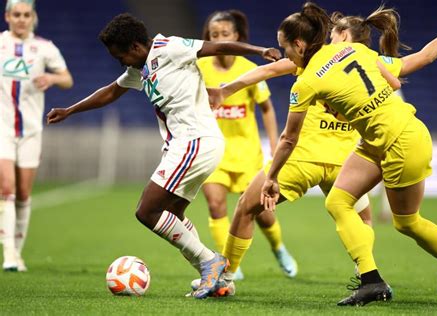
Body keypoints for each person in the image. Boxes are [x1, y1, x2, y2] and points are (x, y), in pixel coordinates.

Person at [46, 13, 281, 299]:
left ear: (134, 47)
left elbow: (217, 47)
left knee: (147, 211)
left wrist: (259, 50)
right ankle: (217, 279)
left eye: (120, 56)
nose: (121, 62)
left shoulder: (169, 48)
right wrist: (70, 110)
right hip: (187, 145)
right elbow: (110, 92)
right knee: (172, 215)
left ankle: (210, 262)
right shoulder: (140, 68)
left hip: (194, 142)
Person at [258, 1, 437, 306]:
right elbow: (421, 58)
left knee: (406, 222)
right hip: (382, 138)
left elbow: (288, 138)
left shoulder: (305, 82)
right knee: (338, 201)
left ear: (299, 44)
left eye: (285, 48)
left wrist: (271, 177)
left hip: (401, 141)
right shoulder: (359, 51)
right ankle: (371, 281)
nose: (285, 55)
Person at [204, 5, 405, 297]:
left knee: (247, 207)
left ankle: (226, 278)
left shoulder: (312, 63)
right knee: (362, 219)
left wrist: (226, 90)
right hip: (347, 161)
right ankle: (368, 275)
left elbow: (268, 71)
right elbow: (411, 68)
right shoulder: (368, 61)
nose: (285, 53)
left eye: (286, 46)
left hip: (304, 156)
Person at [196, 9, 296, 280]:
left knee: (262, 214)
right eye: (214, 35)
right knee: (216, 204)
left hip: (247, 152)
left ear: (236, 37)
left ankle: (279, 248)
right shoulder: (199, 69)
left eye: (224, 34)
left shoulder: (249, 70)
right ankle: (227, 263)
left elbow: (266, 108)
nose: (219, 39)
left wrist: (274, 144)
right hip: (212, 150)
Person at [0, 0, 73, 272]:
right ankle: (8, 253)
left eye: (26, 15)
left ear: (33, 17)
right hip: (2, 128)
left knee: (23, 194)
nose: (21, 19)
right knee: (5, 188)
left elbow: (67, 79)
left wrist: (51, 79)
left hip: (31, 131)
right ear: (7, 16)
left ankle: (17, 253)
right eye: (16, 14)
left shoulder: (45, 47)